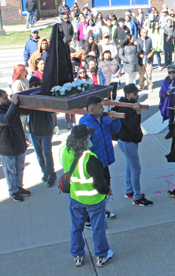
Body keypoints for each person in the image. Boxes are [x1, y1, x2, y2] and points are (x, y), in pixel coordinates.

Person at [62, 124, 114, 267]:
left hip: (75, 197)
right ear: (85, 140)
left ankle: (77, 255)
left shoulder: (65, 151)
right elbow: (99, 184)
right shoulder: (90, 158)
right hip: (93, 200)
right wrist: (107, 190)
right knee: (98, 228)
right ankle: (101, 255)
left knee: (76, 227)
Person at [79, 96, 121, 222]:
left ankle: (102, 210)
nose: (103, 109)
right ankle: (88, 217)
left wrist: (115, 120)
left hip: (104, 161)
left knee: (105, 186)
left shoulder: (104, 119)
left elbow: (116, 130)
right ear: (92, 110)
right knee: (93, 189)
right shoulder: (84, 123)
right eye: (100, 107)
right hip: (93, 164)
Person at [113, 84, 153, 207]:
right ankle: (137, 197)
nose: (137, 96)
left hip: (127, 142)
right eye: (135, 94)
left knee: (130, 166)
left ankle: (129, 191)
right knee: (136, 169)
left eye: (137, 93)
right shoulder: (125, 109)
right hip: (128, 142)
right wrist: (138, 113)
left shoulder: (126, 105)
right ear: (127, 95)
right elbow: (133, 126)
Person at [0, 90, 29, 202]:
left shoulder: (9, 106)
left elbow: (24, 112)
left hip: (18, 144)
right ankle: (13, 191)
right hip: (7, 147)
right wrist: (13, 104)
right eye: (4, 98)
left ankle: (19, 187)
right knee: (11, 171)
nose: (8, 99)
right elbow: (6, 119)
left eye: (8, 97)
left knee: (20, 168)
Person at [159, 65, 175, 139]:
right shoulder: (166, 81)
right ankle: (171, 132)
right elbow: (161, 92)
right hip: (170, 103)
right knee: (171, 119)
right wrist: (166, 93)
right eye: (170, 72)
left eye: (173, 72)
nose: (171, 74)